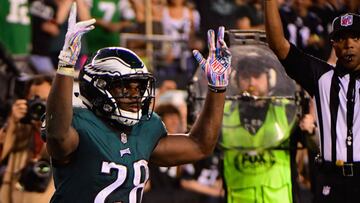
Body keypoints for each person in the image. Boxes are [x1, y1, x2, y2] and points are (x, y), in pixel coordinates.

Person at [44, 2, 231, 202]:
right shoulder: (80, 123)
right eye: (125, 87)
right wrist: (65, 66)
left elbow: (200, 146)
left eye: (140, 87)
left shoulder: (144, 128)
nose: (135, 95)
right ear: (98, 86)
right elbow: (58, 136)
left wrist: (217, 89)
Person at [264, 0, 360, 200]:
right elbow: (279, 46)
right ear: (333, 44)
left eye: (356, 38)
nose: (349, 44)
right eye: (341, 38)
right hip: (331, 181)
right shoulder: (321, 76)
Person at [220, 51, 301, 203]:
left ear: (270, 78)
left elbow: (313, 144)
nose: (252, 83)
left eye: (257, 76)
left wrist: (309, 128)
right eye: (245, 76)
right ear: (235, 80)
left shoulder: (288, 111)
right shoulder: (221, 114)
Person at [0, 75, 55, 203]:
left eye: (47, 101)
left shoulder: (65, 131)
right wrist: (12, 122)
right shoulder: (19, 126)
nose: (41, 106)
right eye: (36, 100)